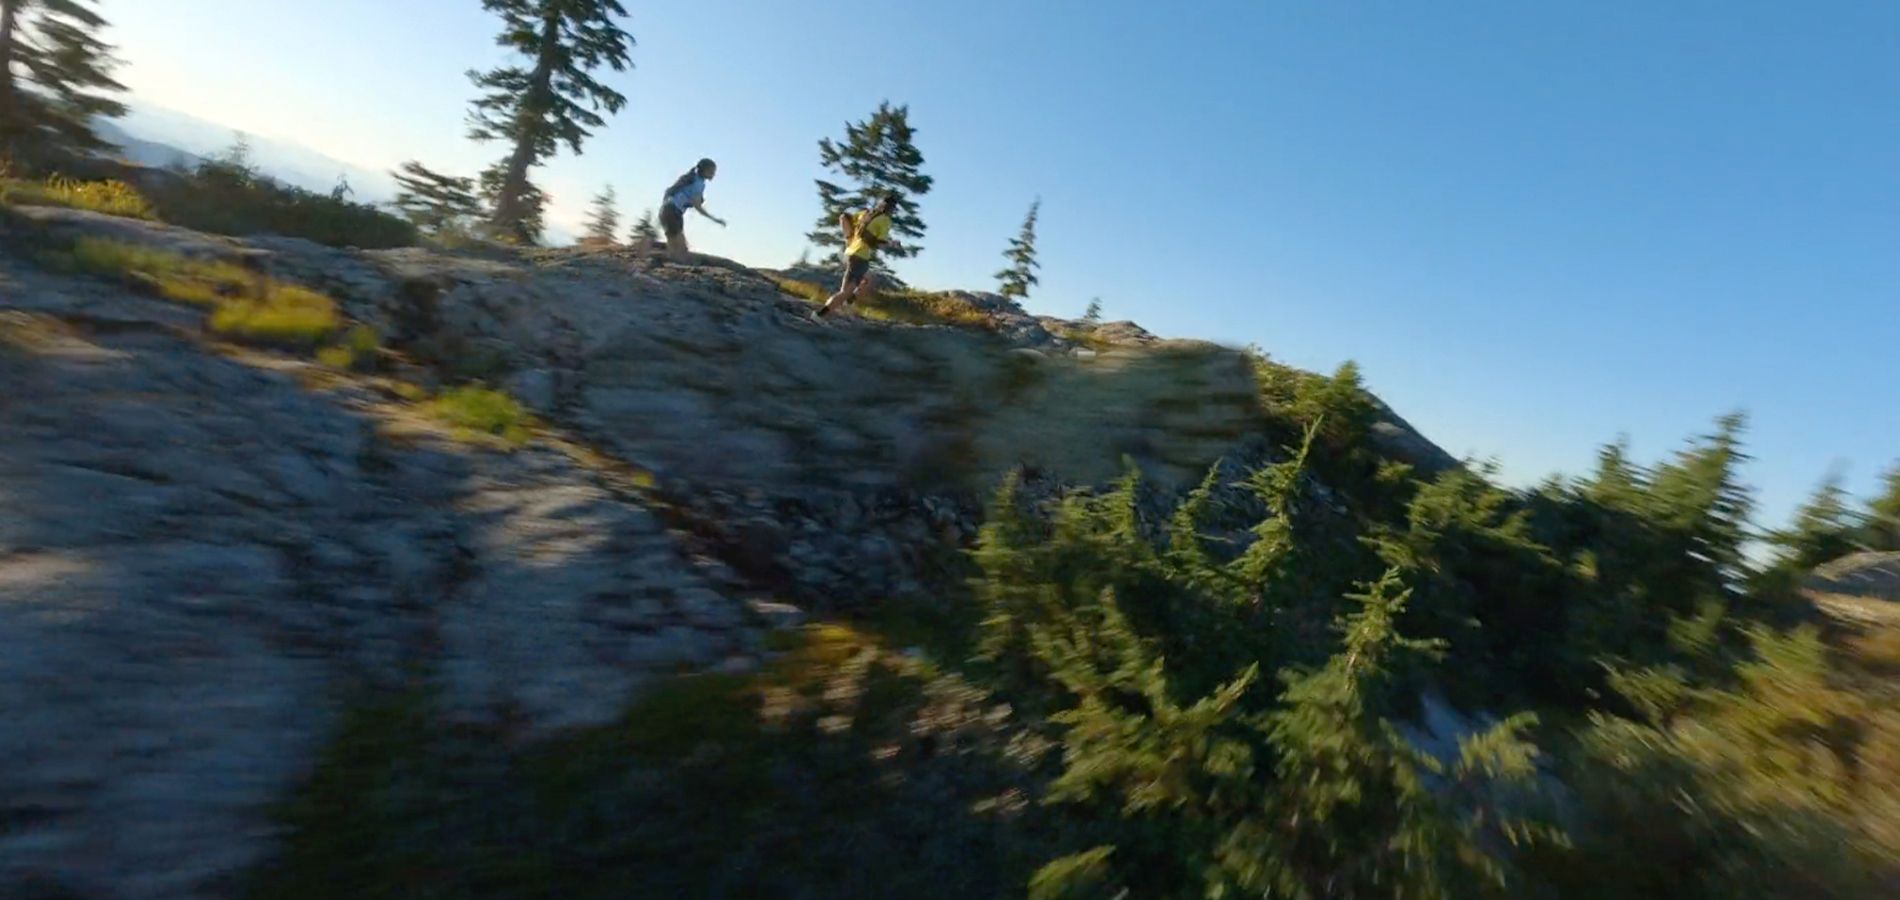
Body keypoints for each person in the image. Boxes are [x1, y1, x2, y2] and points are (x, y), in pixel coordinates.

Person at [819, 191, 898, 318]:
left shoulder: (865, 213)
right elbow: (880, 244)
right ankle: (819, 315)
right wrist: (892, 244)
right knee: (844, 292)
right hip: (860, 257)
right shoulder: (885, 220)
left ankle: (849, 302)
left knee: (867, 279)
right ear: (891, 209)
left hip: (849, 253)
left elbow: (843, 217)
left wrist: (848, 237)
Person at [659, 158, 725, 260]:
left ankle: (658, 266)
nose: (714, 174)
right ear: (705, 170)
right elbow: (698, 207)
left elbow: (669, 192)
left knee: (673, 248)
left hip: (670, 211)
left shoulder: (691, 178)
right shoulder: (698, 183)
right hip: (672, 212)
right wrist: (715, 219)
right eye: (712, 171)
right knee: (681, 249)